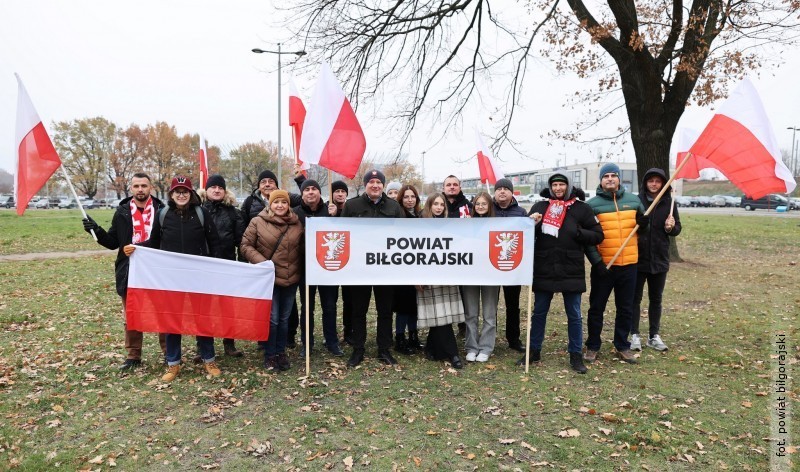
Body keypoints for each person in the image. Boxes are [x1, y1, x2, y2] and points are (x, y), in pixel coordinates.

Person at [124, 176, 222, 382]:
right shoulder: (163, 214)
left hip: (198, 279)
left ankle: (209, 359)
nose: (181, 194)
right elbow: (155, 242)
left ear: (191, 193)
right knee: (171, 321)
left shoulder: (201, 213)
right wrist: (137, 247)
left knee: (202, 319)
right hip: (171, 279)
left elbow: (215, 243)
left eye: (185, 190)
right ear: (171, 194)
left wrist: (215, 269)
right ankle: (173, 363)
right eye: (177, 191)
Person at [82, 172, 166, 370]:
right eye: (136, 186)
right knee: (132, 314)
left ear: (151, 187)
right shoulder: (122, 212)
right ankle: (133, 355)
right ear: (131, 188)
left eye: (144, 186)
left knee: (161, 312)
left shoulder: (162, 210)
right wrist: (96, 230)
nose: (140, 190)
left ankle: (168, 352)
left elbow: (167, 240)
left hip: (157, 270)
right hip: (129, 269)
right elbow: (113, 242)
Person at [521, 172, 604, 373]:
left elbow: (598, 235)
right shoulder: (540, 206)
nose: (558, 188)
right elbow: (523, 234)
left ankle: (575, 355)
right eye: (555, 185)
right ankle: (534, 351)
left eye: (561, 185)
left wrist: (579, 232)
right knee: (539, 312)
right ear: (550, 187)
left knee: (574, 314)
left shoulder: (582, 208)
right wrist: (531, 223)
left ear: (568, 186)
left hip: (571, 267)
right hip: (544, 267)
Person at [584, 163, 649, 364]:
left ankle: (622, 345)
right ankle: (592, 345)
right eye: (606, 176)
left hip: (629, 265)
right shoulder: (592, 205)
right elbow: (588, 239)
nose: (610, 179)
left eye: (614, 175)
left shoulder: (634, 201)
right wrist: (597, 263)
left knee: (626, 308)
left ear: (619, 179)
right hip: (604, 267)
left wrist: (644, 225)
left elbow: (642, 232)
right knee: (596, 307)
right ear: (601, 180)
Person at [341, 169, 405, 367]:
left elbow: (403, 236)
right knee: (358, 311)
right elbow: (343, 234)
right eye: (371, 182)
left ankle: (384, 349)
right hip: (359, 269)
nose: (375, 185)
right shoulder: (352, 206)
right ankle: (358, 349)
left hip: (386, 269)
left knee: (385, 311)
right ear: (366, 185)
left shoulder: (394, 207)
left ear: (383, 186)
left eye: (379, 182)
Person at [240, 189, 304, 372]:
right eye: (276, 202)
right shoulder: (257, 221)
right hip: (269, 279)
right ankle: (270, 355)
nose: (280, 205)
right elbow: (245, 245)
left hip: (291, 279)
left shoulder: (296, 223)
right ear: (270, 203)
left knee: (284, 319)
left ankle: (280, 352)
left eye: (283, 202)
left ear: (288, 204)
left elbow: (302, 247)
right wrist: (264, 264)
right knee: (273, 319)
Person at [631, 168, 681, 351]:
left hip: (659, 258)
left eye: (657, 181)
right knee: (634, 298)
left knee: (656, 298)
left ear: (663, 184)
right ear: (645, 183)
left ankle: (654, 336)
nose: (654, 184)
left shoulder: (669, 203)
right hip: (638, 258)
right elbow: (631, 226)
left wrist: (671, 227)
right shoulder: (637, 201)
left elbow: (676, 229)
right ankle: (634, 334)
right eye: (650, 181)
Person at [292, 179, 344, 357]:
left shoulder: (330, 210)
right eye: (307, 189)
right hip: (305, 267)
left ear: (319, 192)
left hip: (327, 268)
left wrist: (338, 215)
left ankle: (332, 342)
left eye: (314, 189)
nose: (311, 192)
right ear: (302, 193)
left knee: (329, 306)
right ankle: (307, 343)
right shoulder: (295, 213)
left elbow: (342, 232)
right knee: (307, 307)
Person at [198, 174, 247, 358]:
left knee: (227, 307)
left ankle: (229, 343)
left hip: (227, 266)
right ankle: (202, 346)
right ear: (207, 190)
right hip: (203, 266)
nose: (217, 190)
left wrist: (242, 266)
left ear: (225, 191)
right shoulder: (198, 210)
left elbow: (241, 241)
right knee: (203, 309)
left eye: (220, 187)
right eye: (213, 187)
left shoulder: (233, 213)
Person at [416, 193, 465, 369]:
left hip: (447, 275)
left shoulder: (450, 225)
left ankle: (432, 348)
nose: (439, 207)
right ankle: (453, 353)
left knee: (443, 314)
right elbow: (415, 254)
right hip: (428, 275)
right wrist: (417, 277)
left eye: (442, 205)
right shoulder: (419, 226)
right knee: (439, 314)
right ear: (429, 206)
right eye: (435, 204)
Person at [461, 192, 500, 363]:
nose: (481, 206)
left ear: (490, 206)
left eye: (484, 204)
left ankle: (486, 347)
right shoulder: (467, 225)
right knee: (470, 313)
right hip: (470, 274)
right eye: (478, 204)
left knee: (489, 314)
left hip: (491, 274)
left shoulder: (499, 225)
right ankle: (471, 347)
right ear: (473, 206)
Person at [492, 178, 528, 353]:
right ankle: (489, 338)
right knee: (490, 305)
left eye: (506, 189)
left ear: (512, 193)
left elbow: (528, 237)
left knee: (512, 305)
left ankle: (513, 338)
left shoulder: (521, 213)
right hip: (491, 265)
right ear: (495, 192)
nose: (502, 192)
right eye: (499, 189)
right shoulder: (488, 211)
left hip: (513, 266)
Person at [392, 184, 423, 355]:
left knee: (413, 306)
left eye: (413, 197)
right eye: (406, 197)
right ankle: (400, 339)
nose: (410, 200)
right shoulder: (398, 217)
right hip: (401, 269)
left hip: (417, 268)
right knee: (403, 306)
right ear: (401, 199)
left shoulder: (420, 217)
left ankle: (413, 336)